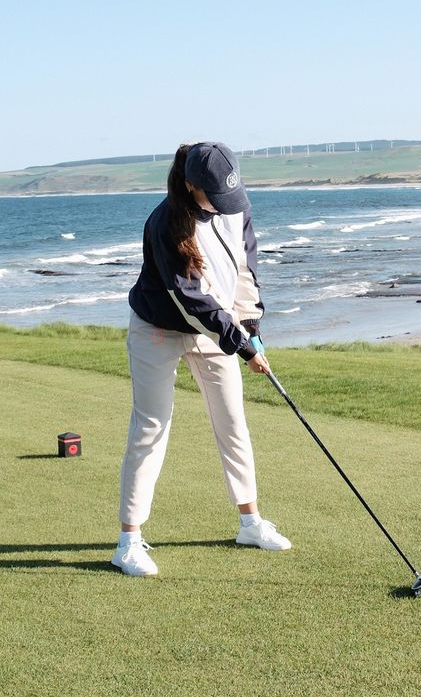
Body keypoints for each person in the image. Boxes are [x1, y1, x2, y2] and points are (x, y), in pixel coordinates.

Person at [113, 142, 291, 578]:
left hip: (215, 329)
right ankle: (128, 542)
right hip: (159, 329)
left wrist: (251, 327)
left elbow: (246, 271)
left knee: (233, 423)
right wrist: (242, 346)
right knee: (151, 428)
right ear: (191, 186)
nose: (226, 205)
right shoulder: (165, 224)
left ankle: (250, 523)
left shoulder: (233, 205)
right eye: (215, 196)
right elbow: (190, 299)